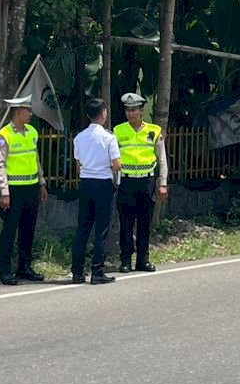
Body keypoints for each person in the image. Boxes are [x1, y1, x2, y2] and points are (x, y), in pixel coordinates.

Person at [0, 94, 48, 285]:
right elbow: (0, 166)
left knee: (28, 229)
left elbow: (35, 158)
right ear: (18, 112)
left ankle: (25, 267)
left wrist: (41, 183)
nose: (31, 114)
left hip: (31, 188)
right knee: (10, 231)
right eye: (28, 111)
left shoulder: (32, 132)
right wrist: (4, 192)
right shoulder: (3, 136)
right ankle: (5, 270)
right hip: (14, 191)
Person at [113, 92, 168, 273]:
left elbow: (162, 160)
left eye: (134, 110)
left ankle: (143, 260)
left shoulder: (154, 131)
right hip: (126, 182)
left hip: (147, 182)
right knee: (126, 223)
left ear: (141, 111)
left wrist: (162, 183)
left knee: (145, 223)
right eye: (128, 110)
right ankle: (126, 260)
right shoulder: (118, 131)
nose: (131, 113)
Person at [72, 97, 121, 285]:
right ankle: (97, 271)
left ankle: (77, 271)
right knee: (101, 229)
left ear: (87, 115)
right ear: (104, 114)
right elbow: (116, 165)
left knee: (82, 228)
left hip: (85, 183)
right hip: (103, 184)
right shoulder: (109, 138)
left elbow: (79, 165)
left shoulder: (79, 137)